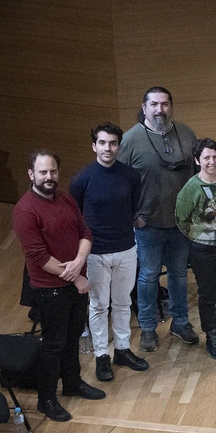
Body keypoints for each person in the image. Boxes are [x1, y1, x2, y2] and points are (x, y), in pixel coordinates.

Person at [12, 151, 105, 422]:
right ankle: (47, 399)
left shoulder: (65, 198)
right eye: (42, 172)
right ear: (31, 175)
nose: (49, 177)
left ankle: (73, 384)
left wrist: (78, 261)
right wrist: (76, 275)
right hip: (50, 290)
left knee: (73, 337)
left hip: (76, 284)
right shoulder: (25, 210)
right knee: (53, 345)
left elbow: (85, 233)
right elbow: (39, 257)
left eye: (52, 171)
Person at [119, 86, 200, 352]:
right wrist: (134, 216)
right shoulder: (130, 140)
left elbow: (196, 178)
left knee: (178, 275)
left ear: (171, 107)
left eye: (164, 104)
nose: (159, 110)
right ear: (144, 108)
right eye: (154, 104)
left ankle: (180, 322)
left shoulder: (186, 134)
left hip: (180, 224)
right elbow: (120, 184)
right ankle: (148, 328)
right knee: (148, 277)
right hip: (148, 225)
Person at [68, 122, 149, 383]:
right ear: (94, 146)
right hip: (95, 252)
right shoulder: (82, 179)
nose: (108, 148)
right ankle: (102, 354)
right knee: (99, 305)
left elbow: (132, 206)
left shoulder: (130, 176)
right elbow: (75, 215)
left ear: (119, 146)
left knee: (123, 302)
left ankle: (122, 350)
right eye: (102, 143)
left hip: (126, 247)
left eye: (113, 143)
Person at [175, 139, 216, 361]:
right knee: (209, 295)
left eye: (215, 157)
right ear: (197, 160)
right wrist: (200, 236)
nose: (211, 161)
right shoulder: (190, 188)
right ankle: (212, 335)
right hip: (203, 250)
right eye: (206, 157)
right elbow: (181, 219)